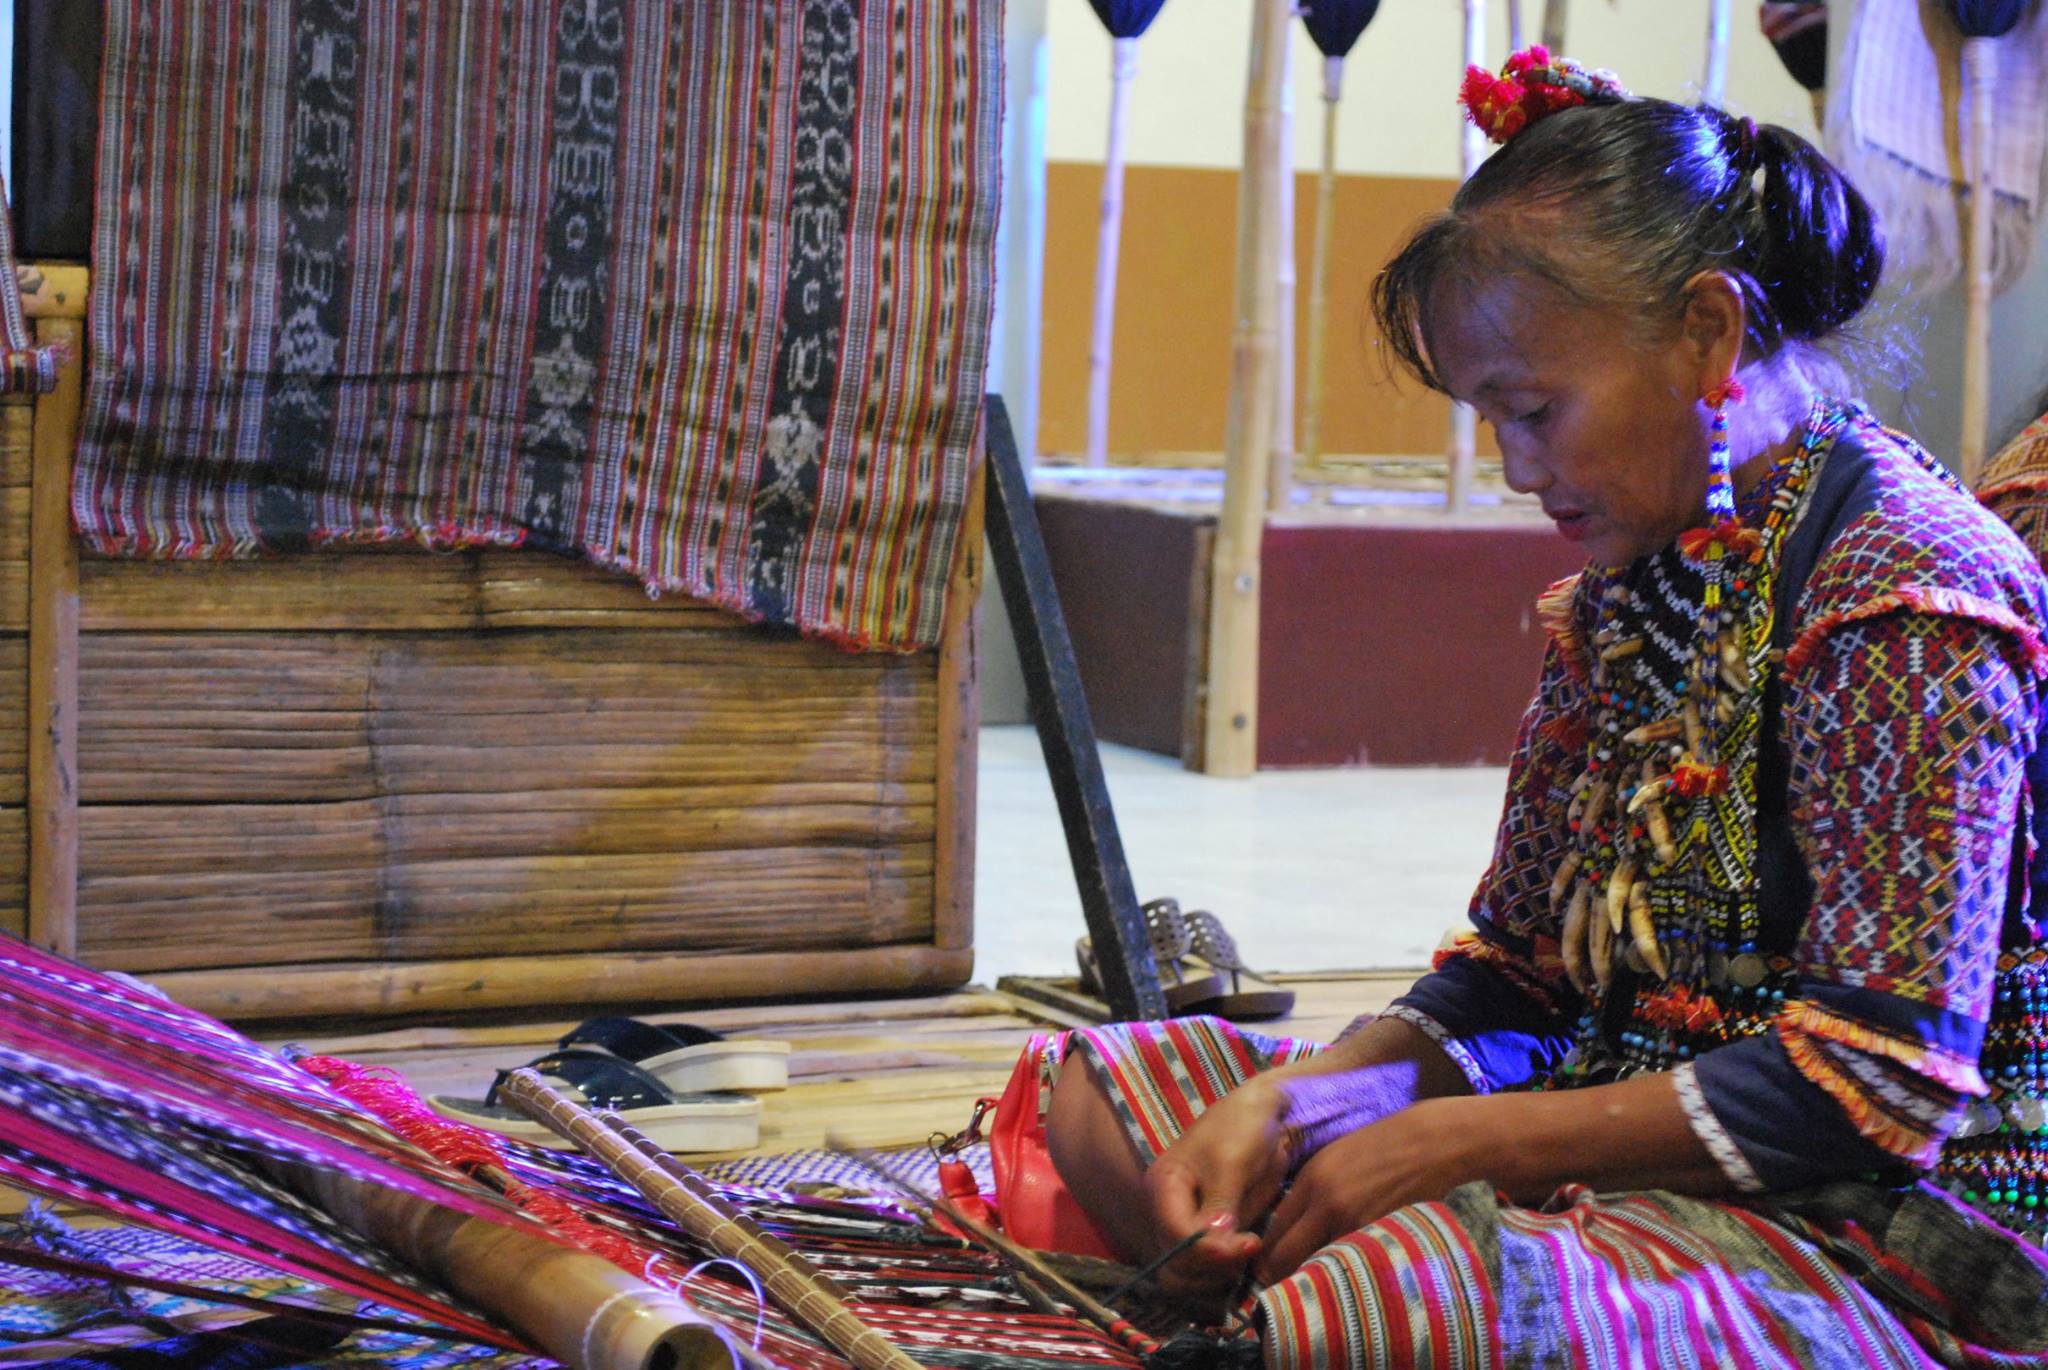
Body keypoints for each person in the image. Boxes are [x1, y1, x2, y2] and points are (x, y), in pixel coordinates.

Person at [1042, 49, 2048, 1368]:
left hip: (1887, 1227)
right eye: (1491, 419)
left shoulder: (1913, 596)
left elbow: (1878, 1082)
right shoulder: (1634, 586)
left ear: (1710, 330)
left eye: (1533, 409)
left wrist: (1468, 1144)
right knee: (1102, 1101)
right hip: (1600, 1118)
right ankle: (1307, 1310)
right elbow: (1517, 985)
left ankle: (1326, 1317)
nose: (1519, 469)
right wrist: (1319, 1095)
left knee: (1416, 1289)